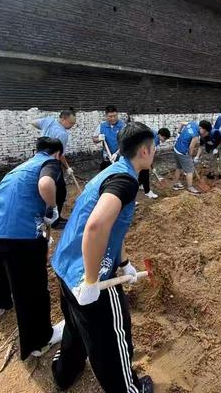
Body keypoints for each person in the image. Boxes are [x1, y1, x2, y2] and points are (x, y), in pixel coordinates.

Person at [51, 122, 155, 393]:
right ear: (144, 151)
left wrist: (124, 263)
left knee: (76, 325)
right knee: (112, 337)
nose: (154, 152)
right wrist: (91, 279)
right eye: (154, 148)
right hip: (89, 274)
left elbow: (112, 229)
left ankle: (64, 373)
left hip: (66, 264)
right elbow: (96, 226)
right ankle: (128, 389)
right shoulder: (126, 181)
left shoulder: (112, 171)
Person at [0, 137, 65, 360]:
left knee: (4, 271)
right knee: (32, 289)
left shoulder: (19, 168)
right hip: (20, 236)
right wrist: (51, 208)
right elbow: (46, 185)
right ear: (57, 153)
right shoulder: (50, 163)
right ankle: (40, 340)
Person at [31, 109, 76, 227]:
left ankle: (50, 216)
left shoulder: (49, 121)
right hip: (52, 164)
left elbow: (33, 122)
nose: (71, 126)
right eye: (70, 123)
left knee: (47, 189)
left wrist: (45, 132)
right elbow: (60, 155)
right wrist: (67, 168)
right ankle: (54, 220)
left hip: (39, 160)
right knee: (60, 191)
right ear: (63, 119)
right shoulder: (62, 134)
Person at [138, 127, 171, 199]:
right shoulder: (154, 140)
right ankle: (147, 192)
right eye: (164, 138)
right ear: (160, 135)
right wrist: (151, 165)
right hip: (139, 154)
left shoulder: (154, 133)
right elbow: (149, 155)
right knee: (145, 172)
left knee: (141, 172)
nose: (164, 141)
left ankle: (140, 184)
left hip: (139, 151)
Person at [172, 121, 203, 195]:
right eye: (204, 131)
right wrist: (190, 156)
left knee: (179, 167)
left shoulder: (192, 123)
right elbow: (191, 147)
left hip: (176, 148)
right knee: (190, 170)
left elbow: (181, 123)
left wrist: (179, 132)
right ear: (202, 128)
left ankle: (175, 184)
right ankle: (190, 187)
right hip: (183, 152)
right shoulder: (195, 136)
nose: (203, 133)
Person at [93, 105, 126, 171]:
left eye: (115, 116)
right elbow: (94, 139)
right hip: (107, 158)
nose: (113, 118)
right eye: (110, 116)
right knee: (107, 178)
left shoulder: (123, 126)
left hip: (121, 158)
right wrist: (99, 138)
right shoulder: (102, 126)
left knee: (120, 177)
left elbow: (126, 142)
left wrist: (117, 153)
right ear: (106, 116)